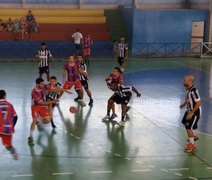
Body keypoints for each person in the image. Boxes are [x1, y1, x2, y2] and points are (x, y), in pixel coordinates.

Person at [28, 78, 58, 146]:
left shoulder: (44, 86)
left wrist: (65, 90)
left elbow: (53, 88)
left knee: (48, 120)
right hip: (35, 107)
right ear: (37, 84)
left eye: (43, 83)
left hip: (42, 107)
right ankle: (30, 137)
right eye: (41, 84)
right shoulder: (34, 92)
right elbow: (41, 103)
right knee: (34, 120)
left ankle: (39, 123)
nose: (43, 85)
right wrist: (53, 101)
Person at [180, 75, 201, 153]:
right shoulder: (188, 89)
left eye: (185, 80)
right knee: (185, 123)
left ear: (190, 81)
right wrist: (184, 104)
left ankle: (192, 145)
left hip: (194, 112)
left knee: (188, 127)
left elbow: (198, 103)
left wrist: (191, 113)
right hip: (188, 111)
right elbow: (189, 99)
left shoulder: (194, 91)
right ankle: (193, 136)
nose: (183, 81)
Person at [0, 90, 18, 160]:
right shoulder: (9, 105)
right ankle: (14, 154)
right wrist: (12, 127)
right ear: (4, 96)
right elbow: (15, 117)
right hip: (8, 129)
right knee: (8, 145)